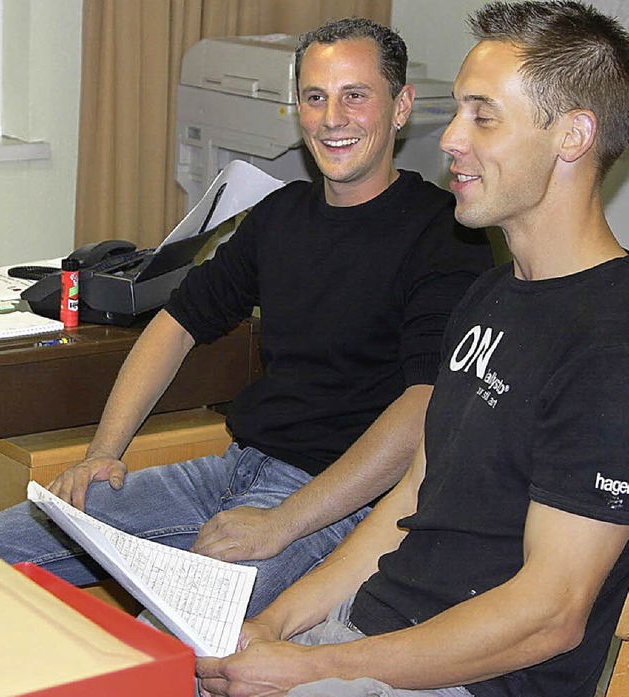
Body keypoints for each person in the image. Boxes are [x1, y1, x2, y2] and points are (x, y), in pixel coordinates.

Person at [195, 2, 629, 695]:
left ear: (572, 135)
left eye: (482, 115)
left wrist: (312, 666)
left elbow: (551, 615)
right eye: (457, 110)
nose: (451, 137)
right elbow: (411, 500)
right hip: (371, 635)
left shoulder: (611, 339)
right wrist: (273, 626)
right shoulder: (486, 297)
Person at [0, 18, 491, 617]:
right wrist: (104, 451)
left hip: (337, 501)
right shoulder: (278, 216)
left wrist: (282, 523)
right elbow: (176, 324)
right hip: (230, 472)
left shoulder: (445, 234)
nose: (332, 117)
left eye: (355, 95)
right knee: (1, 545)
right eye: (314, 96)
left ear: (401, 106)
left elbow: (423, 407)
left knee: (175, 629)